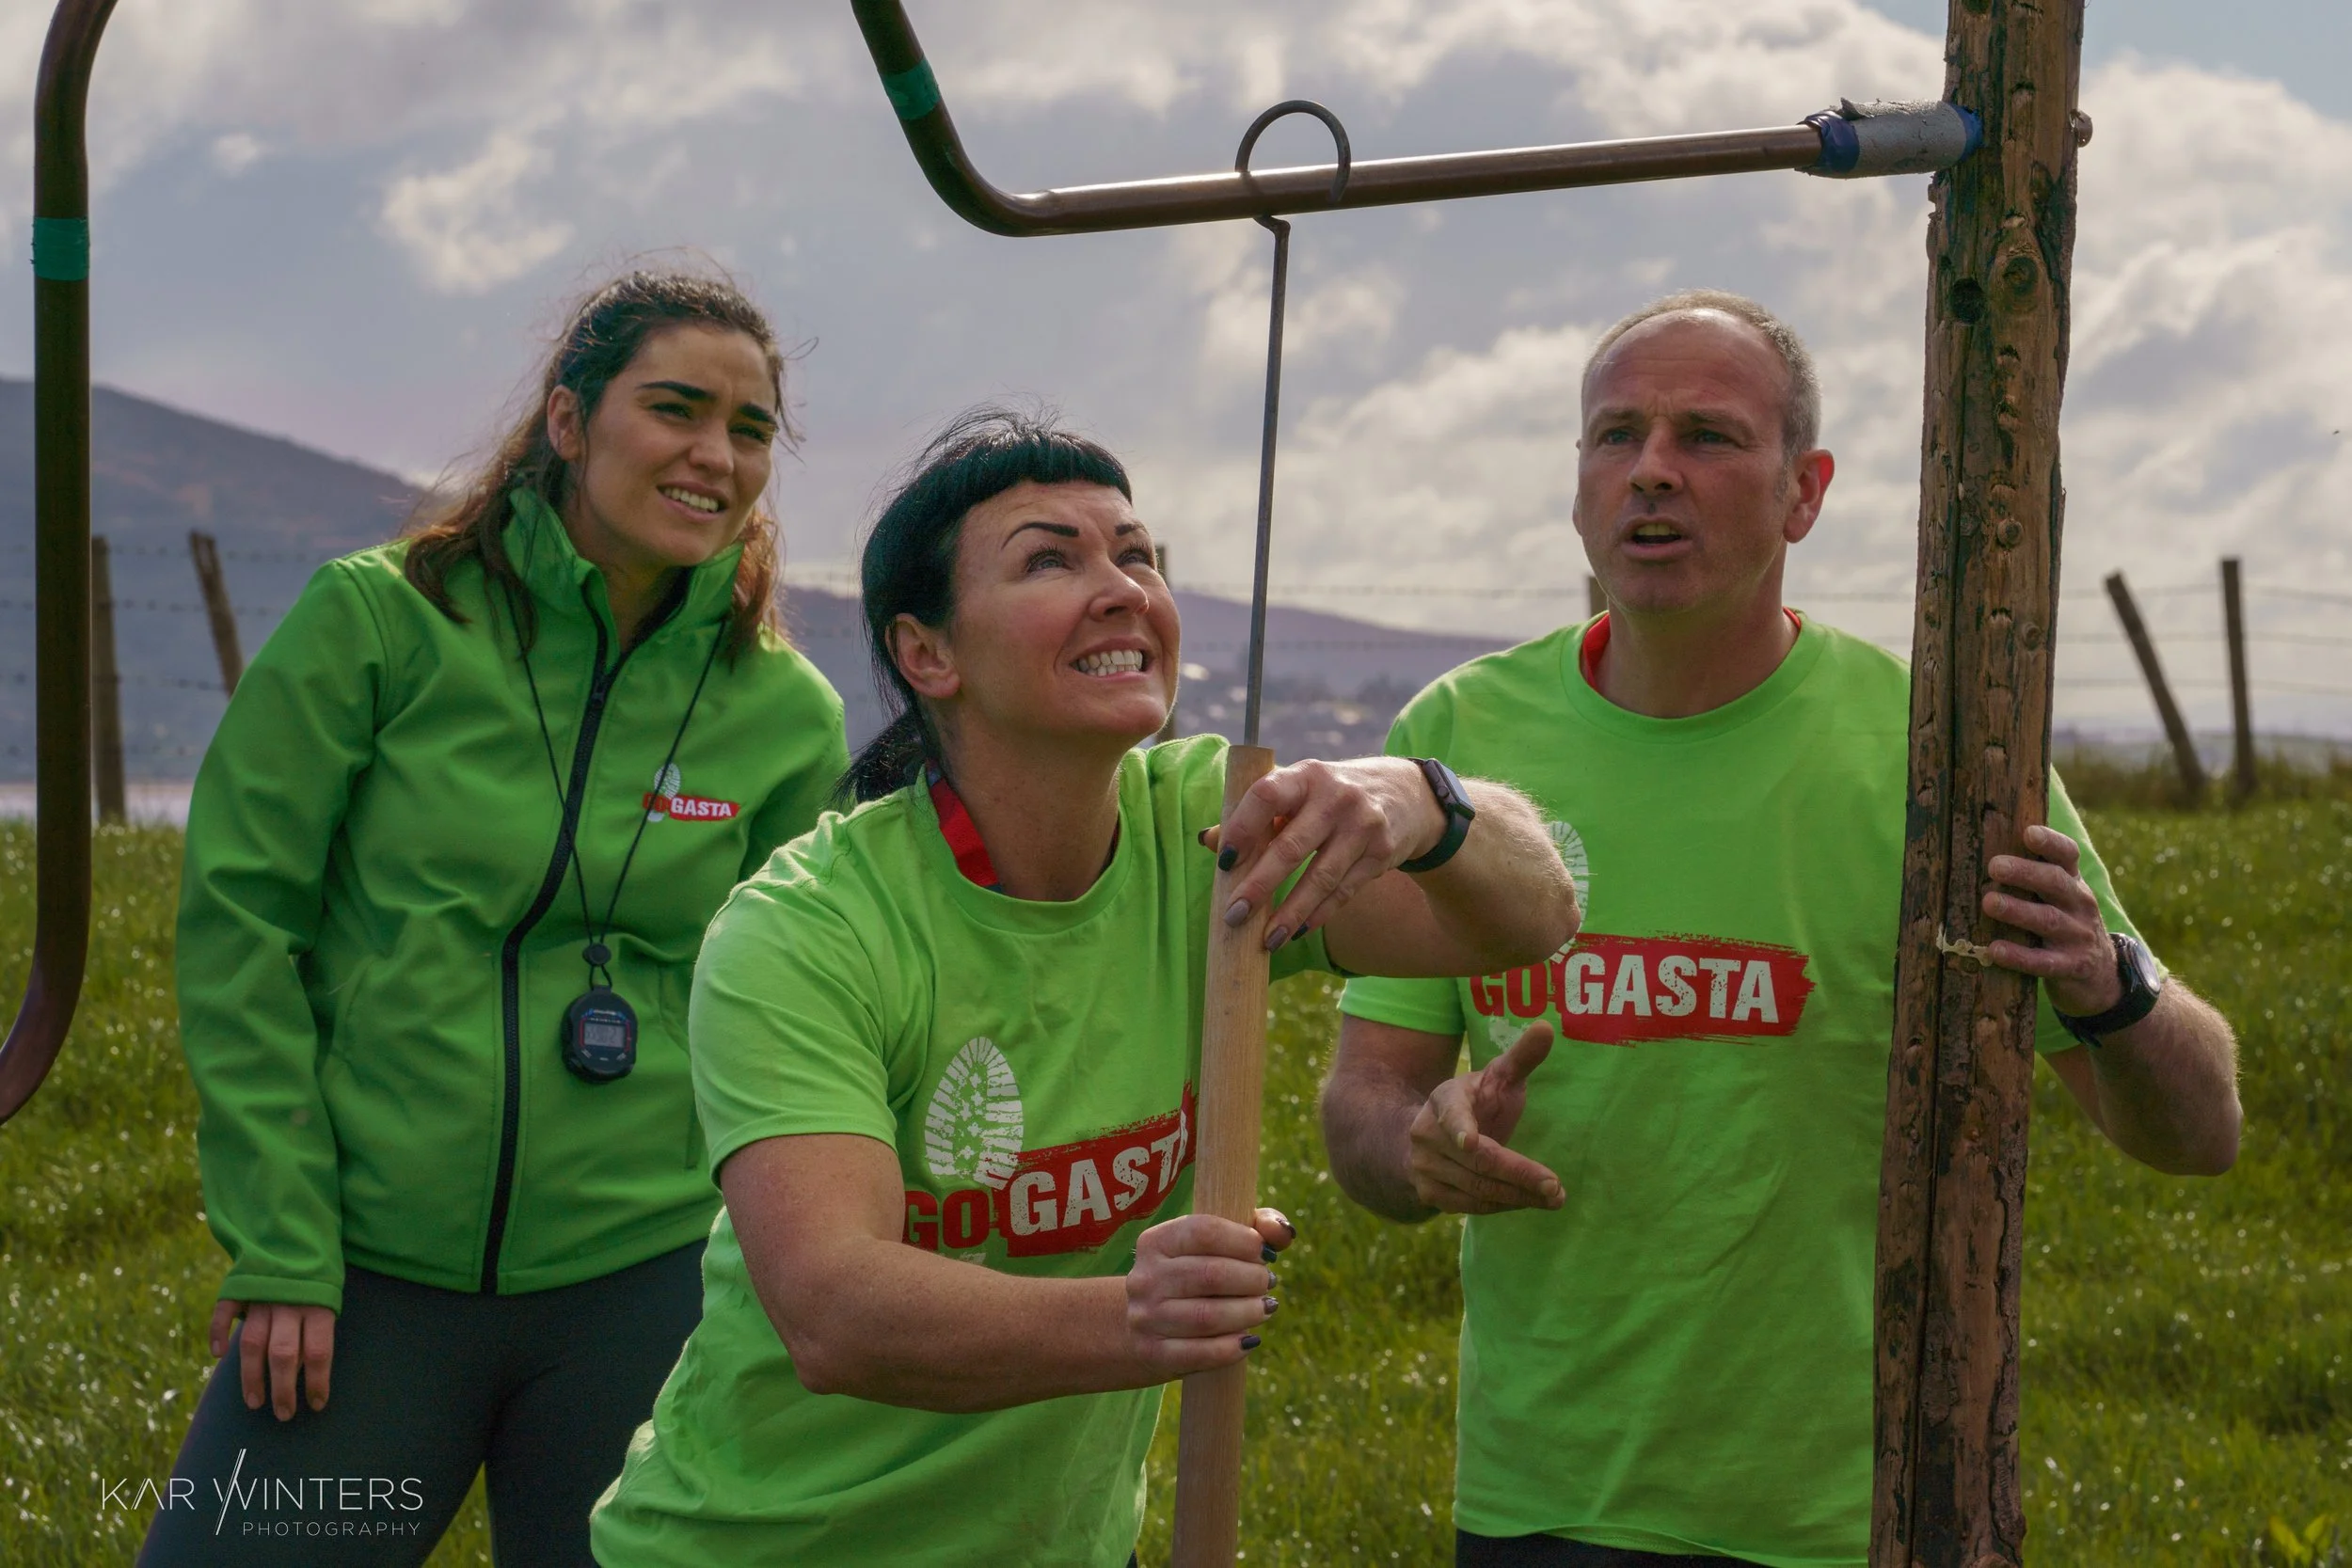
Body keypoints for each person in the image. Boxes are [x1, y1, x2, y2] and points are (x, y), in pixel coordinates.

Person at [1321, 291, 2243, 1568]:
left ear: (1804, 493)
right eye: (1616, 434)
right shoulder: (1457, 740)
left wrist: (2108, 983)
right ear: (1578, 485)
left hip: (1855, 1509)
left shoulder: (1940, 750)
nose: (1652, 469)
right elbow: (1364, 1098)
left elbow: (2200, 1133)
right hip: (1544, 1496)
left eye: (1707, 435)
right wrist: (1416, 1147)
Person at [586, 407, 1581, 1566]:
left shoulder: (1213, 835)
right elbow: (835, 1313)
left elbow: (1535, 918)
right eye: (1050, 560)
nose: (1121, 590)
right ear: (927, 654)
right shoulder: (809, 926)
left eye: (1136, 554)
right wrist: (1139, 1313)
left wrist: (1427, 801)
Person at [143, 270, 850, 1568]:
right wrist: (284, 1242)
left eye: (749, 429)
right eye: (676, 408)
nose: (716, 453)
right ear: (569, 421)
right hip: (365, 1277)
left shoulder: (785, 711)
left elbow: (797, 1014)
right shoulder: (380, 619)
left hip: (645, 1289)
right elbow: (242, 928)